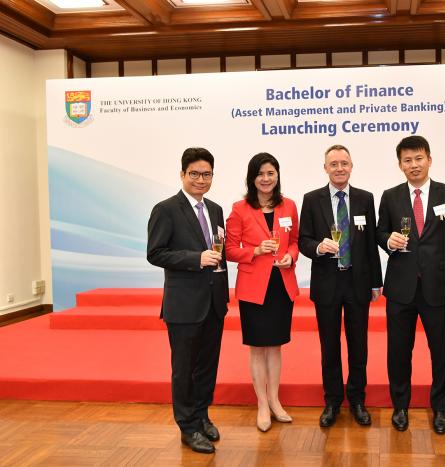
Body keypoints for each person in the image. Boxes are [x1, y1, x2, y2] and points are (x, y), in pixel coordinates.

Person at [376, 135, 445, 434]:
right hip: (401, 286)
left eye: (418, 158)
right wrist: (387, 240)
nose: (413, 165)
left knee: (441, 351)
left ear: (429, 159)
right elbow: (379, 232)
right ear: (400, 165)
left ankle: (441, 408)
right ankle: (400, 406)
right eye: (407, 160)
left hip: (438, 285)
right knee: (398, 350)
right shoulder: (390, 196)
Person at [147, 147, 229, 454]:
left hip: (214, 302)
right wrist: (196, 258)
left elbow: (221, 251)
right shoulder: (166, 209)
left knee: (207, 366)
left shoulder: (217, 209)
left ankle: (202, 415)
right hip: (184, 305)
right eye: (194, 173)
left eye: (206, 174)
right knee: (184, 369)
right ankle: (187, 427)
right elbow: (155, 253)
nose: (200, 179)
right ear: (182, 174)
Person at [298, 144, 383, 428]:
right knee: (330, 345)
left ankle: (357, 399)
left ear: (351, 166)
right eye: (333, 164)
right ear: (325, 168)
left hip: (357, 282)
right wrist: (318, 247)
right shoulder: (312, 199)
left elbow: (371, 243)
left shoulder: (365, 199)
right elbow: (303, 240)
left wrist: (376, 281)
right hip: (327, 283)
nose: (339, 168)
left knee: (359, 346)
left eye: (344, 163)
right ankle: (332, 400)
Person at [225, 152, 299, 433]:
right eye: (260, 174)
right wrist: (255, 251)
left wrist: (290, 257)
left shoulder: (289, 206)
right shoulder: (240, 208)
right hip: (254, 286)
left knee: (275, 345)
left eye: (271, 173)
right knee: (258, 346)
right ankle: (261, 404)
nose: (266, 179)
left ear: (277, 176)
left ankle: (276, 401)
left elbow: (294, 242)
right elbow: (230, 250)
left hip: (281, 284)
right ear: (252, 178)